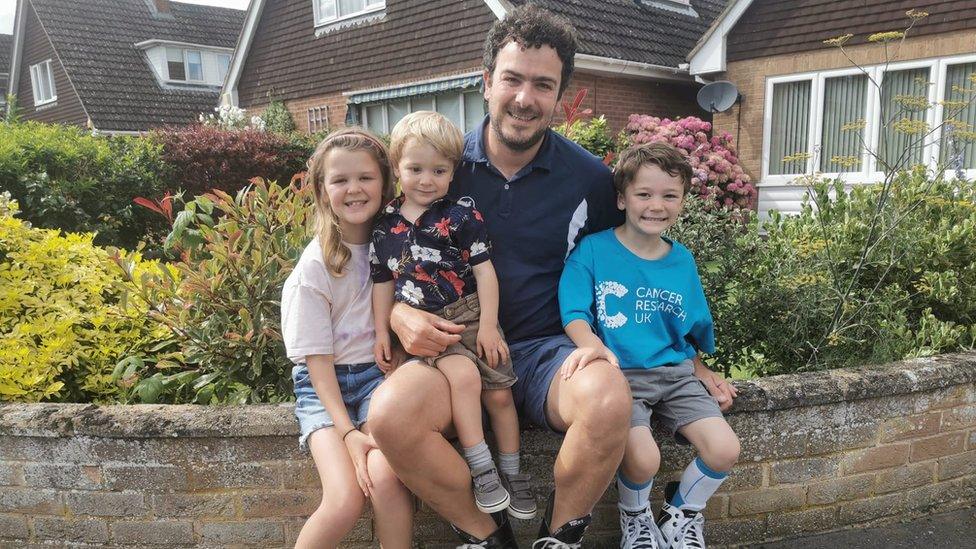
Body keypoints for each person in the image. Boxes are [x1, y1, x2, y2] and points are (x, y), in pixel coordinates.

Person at [369, 5, 735, 547]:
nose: (525, 98)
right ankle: (484, 534)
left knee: (609, 396)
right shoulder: (438, 166)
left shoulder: (589, 179)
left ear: (560, 95)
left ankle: (559, 534)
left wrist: (692, 360)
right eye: (513, 79)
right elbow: (380, 252)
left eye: (543, 84)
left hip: (548, 353)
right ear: (486, 79)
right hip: (453, 350)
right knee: (391, 416)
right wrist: (398, 314)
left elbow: (639, 267)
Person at [558, 142, 741, 549]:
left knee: (725, 449)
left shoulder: (683, 261)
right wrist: (591, 346)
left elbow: (688, 331)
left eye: (669, 196)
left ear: (682, 201)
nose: (655, 205)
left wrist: (702, 370)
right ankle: (635, 518)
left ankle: (680, 514)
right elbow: (573, 310)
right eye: (644, 194)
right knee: (644, 459)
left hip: (675, 375)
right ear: (622, 198)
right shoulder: (594, 249)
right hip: (621, 378)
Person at [370, 111, 536, 520]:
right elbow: (382, 284)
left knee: (499, 393)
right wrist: (381, 334)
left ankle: (513, 473)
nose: (426, 180)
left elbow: (485, 273)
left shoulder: (462, 216)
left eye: (439, 170)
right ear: (397, 169)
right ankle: (482, 469)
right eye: (415, 169)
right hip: (429, 325)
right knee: (463, 377)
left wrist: (491, 328)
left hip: (473, 313)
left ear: (452, 172)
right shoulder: (385, 227)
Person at [280, 128, 414, 548]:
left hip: (379, 379)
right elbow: (317, 364)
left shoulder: (399, 247)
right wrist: (348, 433)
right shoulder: (315, 267)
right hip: (325, 390)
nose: (354, 189)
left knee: (387, 481)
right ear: (322, 190)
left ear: (385, 184)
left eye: (365, 178)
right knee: (344, 499)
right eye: (340, 180)